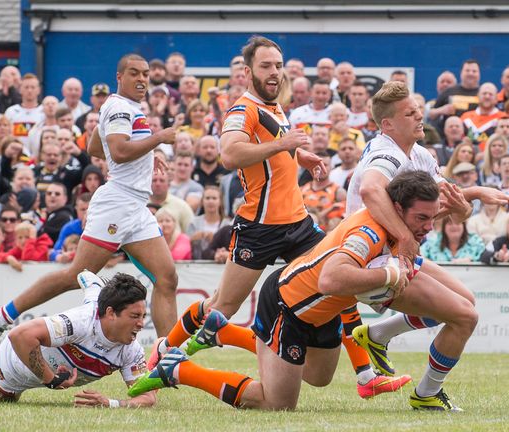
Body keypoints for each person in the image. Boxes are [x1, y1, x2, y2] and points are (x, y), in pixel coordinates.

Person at [153, 36, 406, 399]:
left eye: (278, 65)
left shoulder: (274, 106)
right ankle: (163, 351)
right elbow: (229, 154)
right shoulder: (243, 110)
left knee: (341, 279)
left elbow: (270, 154)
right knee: (223, 305)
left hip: (297, 222)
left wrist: (298, 157)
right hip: (259, 227)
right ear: (247, 72)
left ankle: (366, 375)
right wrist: (284, 145)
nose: (275, 72)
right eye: (266, 66)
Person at [130, 171, 472, 411]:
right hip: (287, 305)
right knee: (276, 403)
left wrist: (464, 205)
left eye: (432, 219)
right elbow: (330, 281)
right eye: (423, 219)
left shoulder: (399, 217)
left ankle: (225, 333)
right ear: (397, 209)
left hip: (322, 312)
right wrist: (389, 272)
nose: (429, 227)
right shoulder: (368, 233)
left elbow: (421, 216)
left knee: (319, 378)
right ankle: (178, 370)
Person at [0, 54, 180, 357]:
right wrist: (157, 140)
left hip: (135, 206)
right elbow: (117, 151)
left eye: (145, 74)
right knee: (75, 275)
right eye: (134, 73)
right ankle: (0, 318)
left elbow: (95, 146)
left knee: (167, 278)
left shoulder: (127, 107)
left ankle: (168, 359)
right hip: (118, 202)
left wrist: (145, 154)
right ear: (120, 77)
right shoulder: (118, 106)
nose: (142, 79)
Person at [343, 81, 509, 399]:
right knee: (465, 317)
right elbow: (369, 189)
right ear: (388, 124)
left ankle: (377, 334)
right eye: (410, 113)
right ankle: (427, 394)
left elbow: (445, 201)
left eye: (419, 111)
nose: (420, 117)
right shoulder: (386, 153)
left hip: (391, 252)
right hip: (372, 260)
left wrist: (471, 197)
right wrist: (406, 237)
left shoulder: (418, 153)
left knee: (466, 302)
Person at [0, 271, 156, 408]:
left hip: (29, 375)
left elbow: (147, 397)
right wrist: (51, 379)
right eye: (135, 316)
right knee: (0, 400)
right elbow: (20, 335)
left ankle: (94, 284)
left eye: (143, 316)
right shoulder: (80, 322)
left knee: (93, 294)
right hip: (9, 367)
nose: (141, 324)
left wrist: (111, 403)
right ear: (111, 313)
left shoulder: (131, 350)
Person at [186, 186, 231, 260]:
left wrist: (215, 239)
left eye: (214, 198)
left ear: (220, 202)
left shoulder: (227, 224)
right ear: (202, 202)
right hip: (196, 265)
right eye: (207, 198)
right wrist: (192, 239)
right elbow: (184, 246)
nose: (211, 201)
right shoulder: (193, 222)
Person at [420, 219, 485, 263]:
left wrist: (471, 261)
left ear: (464, 226)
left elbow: (487, 257)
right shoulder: (433, 241)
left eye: (457, 223)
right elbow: (418, 256)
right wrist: (431, 264)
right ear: (444, 227)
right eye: (450, 223)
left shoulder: (475, 241)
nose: (454, 226)